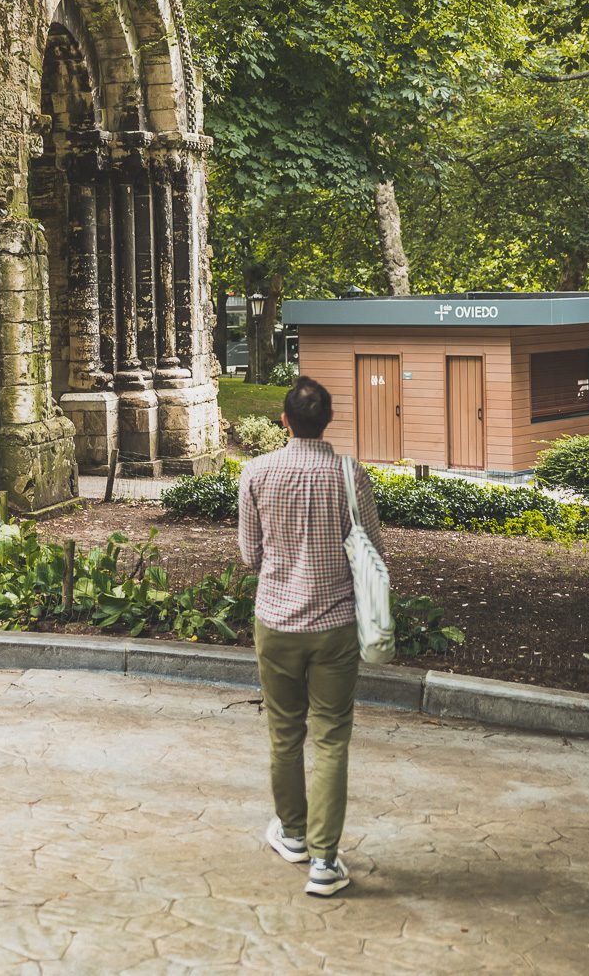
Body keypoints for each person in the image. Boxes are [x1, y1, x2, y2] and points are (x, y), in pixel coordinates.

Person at [237, 375, 385, 897]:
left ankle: (293, 834)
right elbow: (372, 548)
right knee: (331, 738)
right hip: (335, 628)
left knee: (284, 733)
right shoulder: (350, 474)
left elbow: (250, 556)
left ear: (284, 420)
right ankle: (325, 862)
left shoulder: (256, 472)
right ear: (327, 422)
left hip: (276, 623)